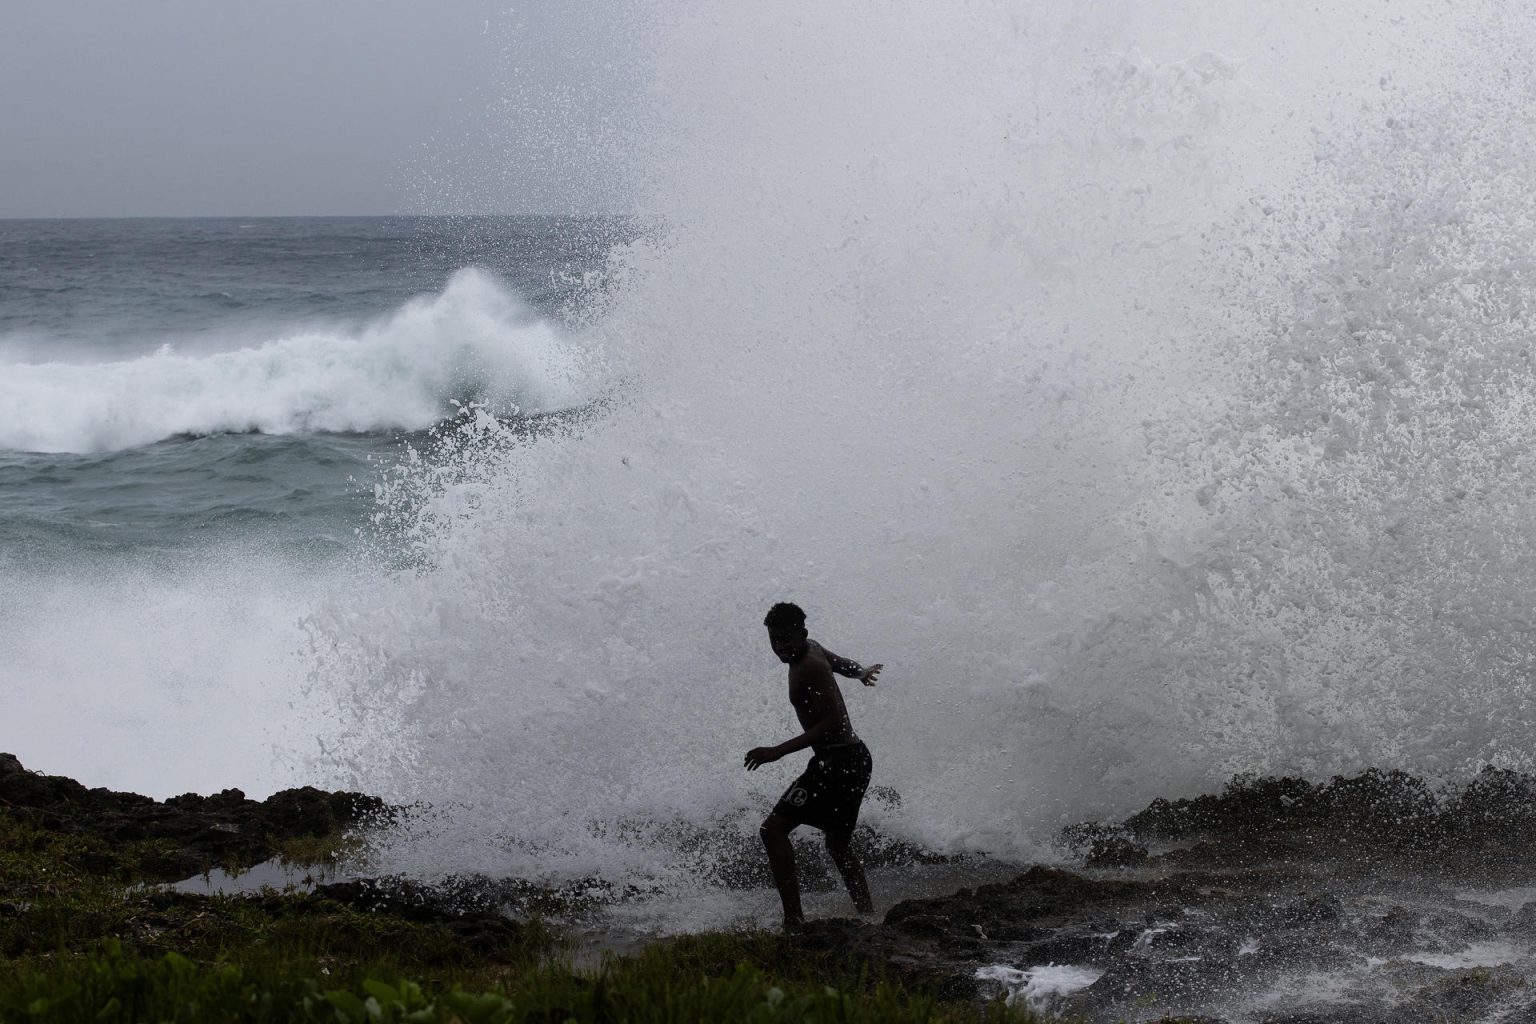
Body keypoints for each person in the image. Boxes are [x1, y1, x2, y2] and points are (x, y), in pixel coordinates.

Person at [745, 602, 883, 930]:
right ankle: (869, 918)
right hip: (854, 760)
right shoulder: (814, 648)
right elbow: (841, 664)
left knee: (772, 830)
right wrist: (861, 672)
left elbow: (833, 720)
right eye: (774, 640)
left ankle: (794, 920)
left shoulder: (808, 665)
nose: (781, 647)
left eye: (787, 639)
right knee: (838, 844)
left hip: (837, 762)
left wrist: (777, 751)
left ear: (802, 634)